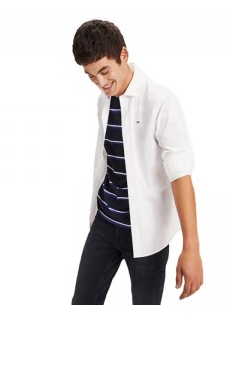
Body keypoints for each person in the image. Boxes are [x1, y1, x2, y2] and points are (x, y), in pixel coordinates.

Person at [71, 19, 203, 305]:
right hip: (105, 223)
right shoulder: (104, 101)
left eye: (104, 71)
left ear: (124, 54)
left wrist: (191, 247)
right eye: (91, 77)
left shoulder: (161, 102)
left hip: (148, 233)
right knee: (82, 303)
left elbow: (180, 175)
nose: (101, 83)